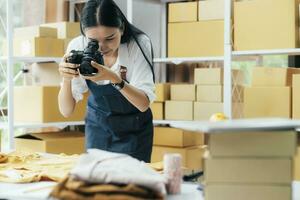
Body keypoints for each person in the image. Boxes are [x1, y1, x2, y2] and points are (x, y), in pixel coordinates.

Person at [58, 0, 155, 162]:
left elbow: (143, 104)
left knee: (131, 184)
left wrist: (113, 78)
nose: (102, 47)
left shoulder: (138, 44)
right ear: (84, 34)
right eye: (93, 41)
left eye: (110, 38)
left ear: (121, 29)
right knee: (96, 183)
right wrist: (66, 79)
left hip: (134, 130)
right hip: (98, 128)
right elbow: (66, 111)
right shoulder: (78, 45)